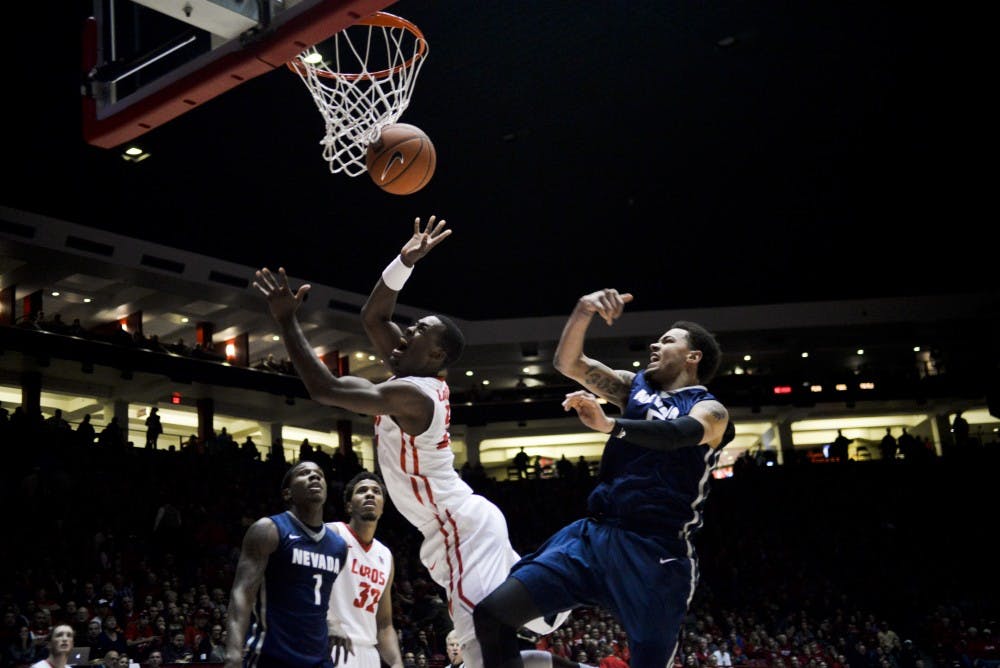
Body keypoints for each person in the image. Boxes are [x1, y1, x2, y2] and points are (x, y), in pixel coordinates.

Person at [254, 217, 571, 668]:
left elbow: (324, 389)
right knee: (517, 624)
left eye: (418, 330)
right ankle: (557, 623)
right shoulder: (411, 373)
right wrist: (404, 261)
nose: (404, 333)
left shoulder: (414, 394)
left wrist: (287, 322)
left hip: (459, 525)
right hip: (447, 528)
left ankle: (566, 599)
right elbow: (373, 316)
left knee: (482, 640)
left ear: (437, 355)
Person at [474, 288, 735, 668]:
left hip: (655, 552)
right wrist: (582, 310)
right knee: (493, 615)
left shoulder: (710, 409)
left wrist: (611, 424)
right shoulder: (635, 387)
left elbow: (677, 435)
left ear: (692, 357)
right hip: (593, 537)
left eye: (667, 340)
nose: (654, 343)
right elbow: (569, 362)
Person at [223, 461, 350, 668]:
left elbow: (317, 596)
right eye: (304, 473)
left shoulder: (338, 547)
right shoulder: (268, 530)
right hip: (273, 655)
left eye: (319, 474)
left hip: (320, 659)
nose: (314, 476)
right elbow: (242, 595)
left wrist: (332, 622)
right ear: (287, 494)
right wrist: (233, 654)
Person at [326, 470, 403, 668]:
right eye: (362, 490)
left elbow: (384, 624)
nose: (370, 494)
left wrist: (396, 663)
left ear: (382, 507)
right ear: (349, 506)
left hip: (369, 654)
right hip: (332, 643)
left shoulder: (385, 555)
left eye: (376, 491)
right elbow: (304, 584)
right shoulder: (332, 533)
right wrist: (328, 620)